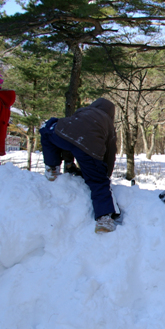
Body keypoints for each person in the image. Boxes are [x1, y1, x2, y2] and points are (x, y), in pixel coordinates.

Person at [40, 98, 120, 233]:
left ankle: (52, 168)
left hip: (62, 135)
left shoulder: (82, 112)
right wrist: (104, 174)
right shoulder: (108, 123)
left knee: (47, 130)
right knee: (98, 182)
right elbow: (110, 153)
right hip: (90, 148)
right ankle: (104, 219)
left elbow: (71, 136)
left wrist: (68, 161)